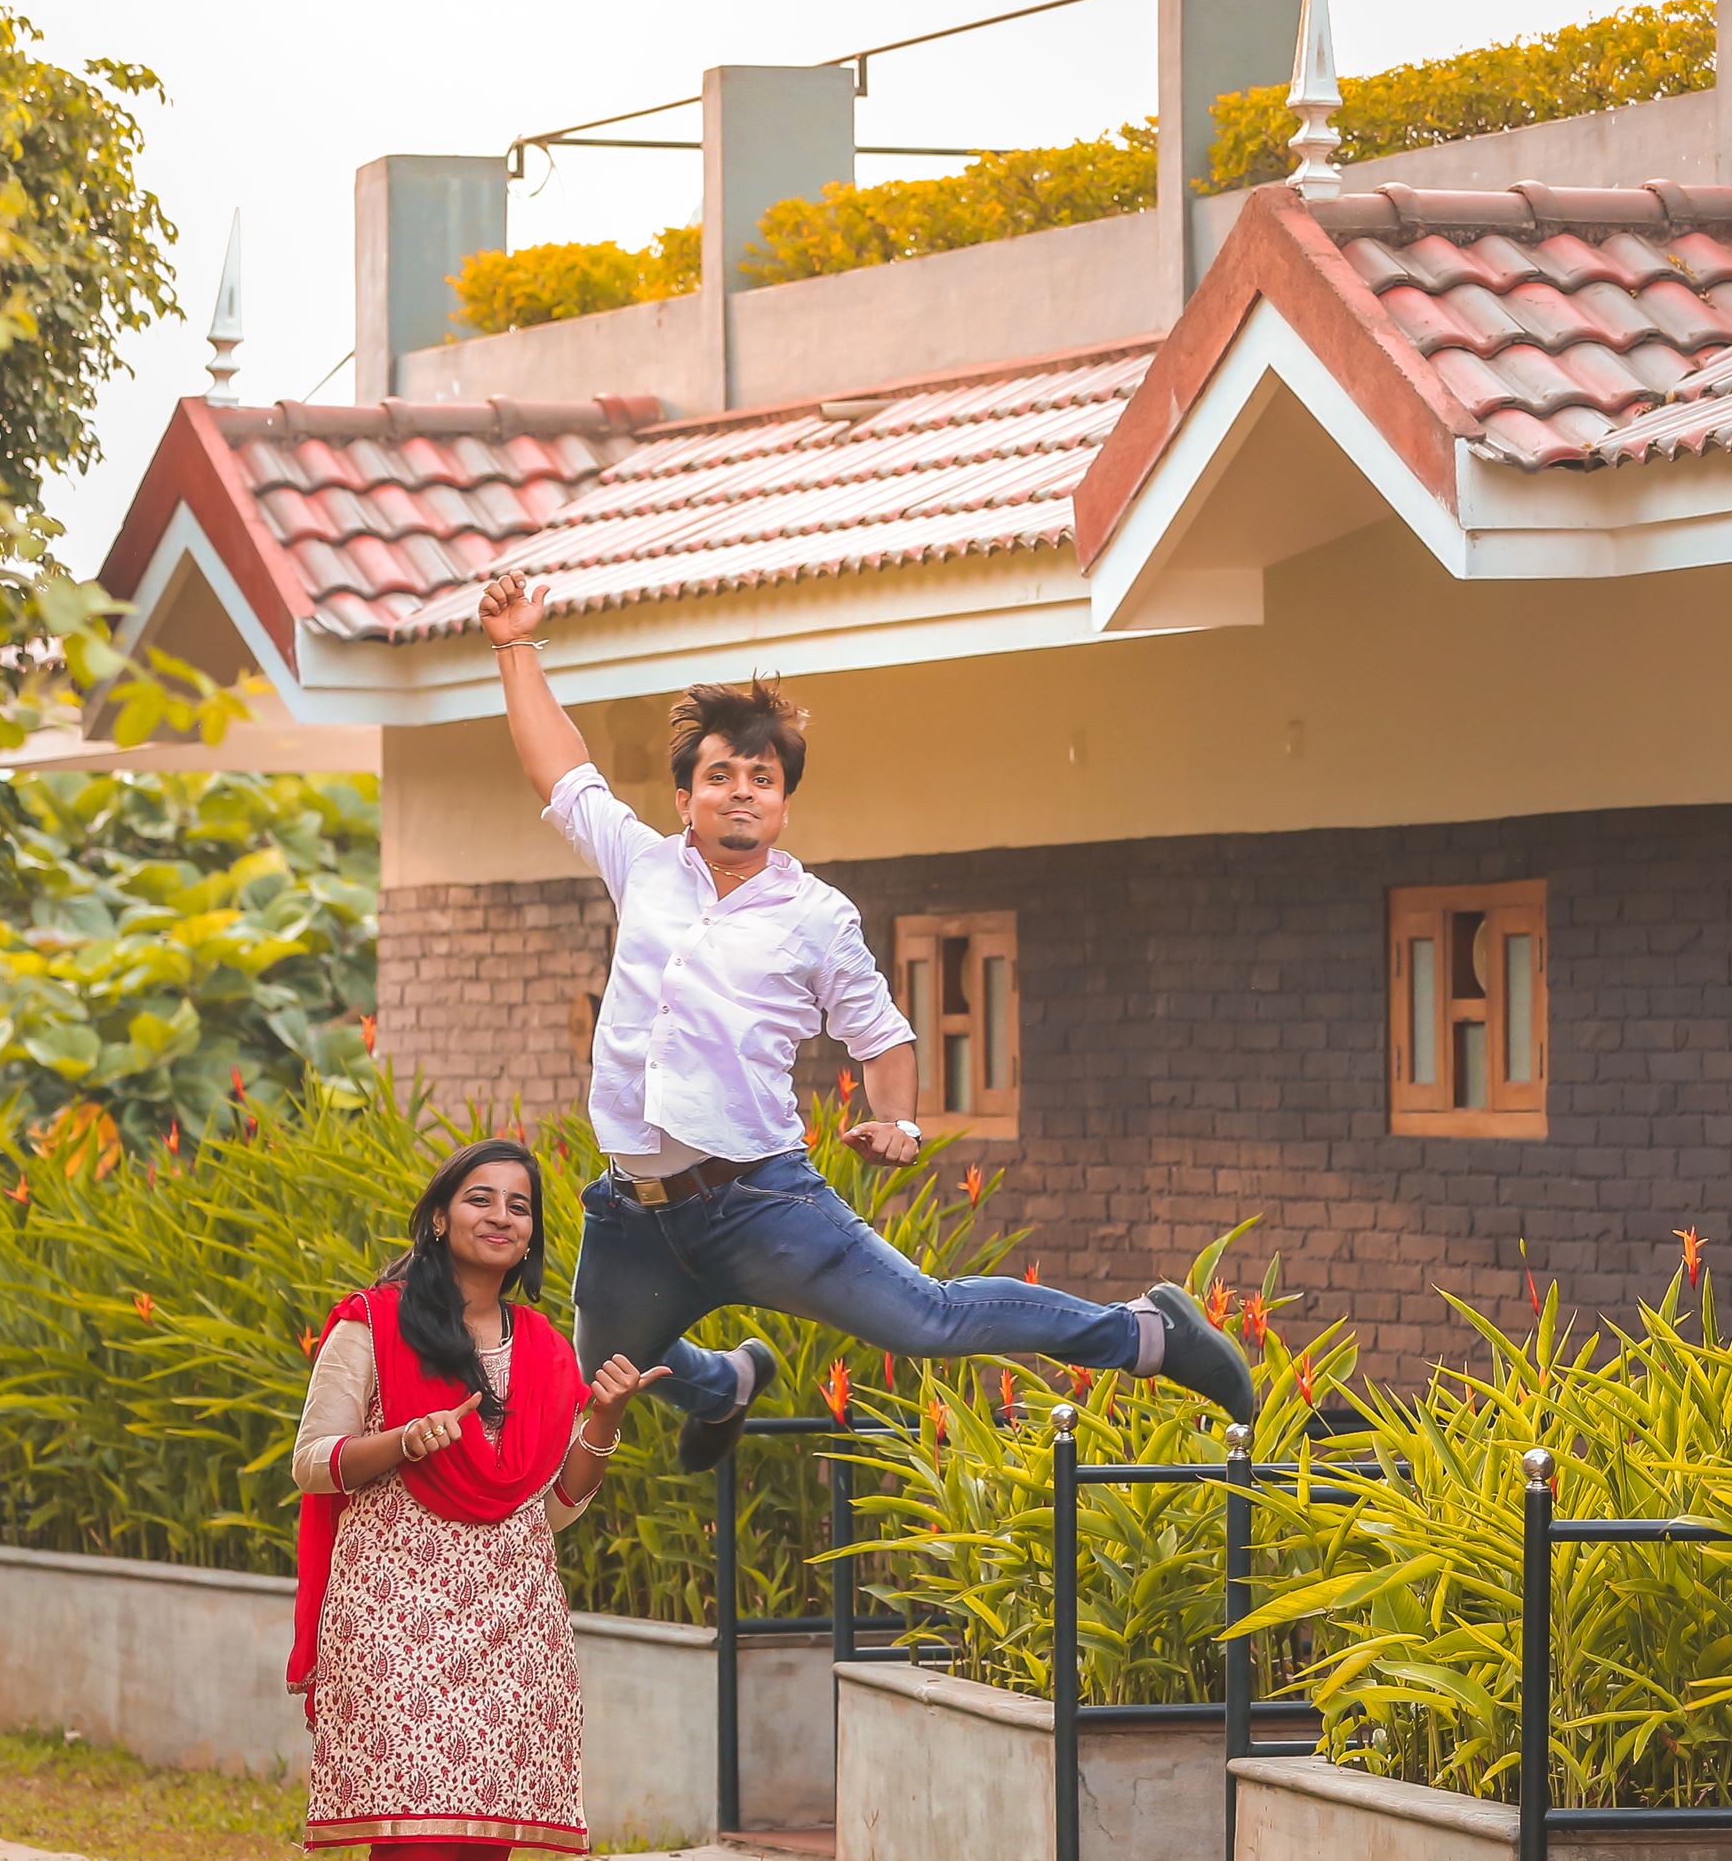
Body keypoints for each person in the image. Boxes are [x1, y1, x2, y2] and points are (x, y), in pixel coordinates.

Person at [476, 567, 1256, 1470]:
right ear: (684, 799)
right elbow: (562, 770)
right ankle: (724, 1384)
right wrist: (514, 645)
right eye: (719, 776)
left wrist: (899, 1122)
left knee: (928, 1319)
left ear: (782, 802)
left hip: (759, 1201)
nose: (741, 791)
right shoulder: (642, 866)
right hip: (634, 1215)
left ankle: (1146, 1332)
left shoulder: (818, 916)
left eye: (761, 778)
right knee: (602, 1372)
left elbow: (881, 1036)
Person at [288, 1138, 658, 1861]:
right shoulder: (371, 1326)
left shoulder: (543, 1349)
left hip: (511, 1611)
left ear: (531, 1235)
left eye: (519, 1206)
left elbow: (554, 1506)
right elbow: (313, 1460)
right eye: (480, 1199)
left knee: (478, 1851)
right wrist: (400, 1440)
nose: (501, 1217)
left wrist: (604, 1422)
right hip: (395, 1608)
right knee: (415, 1845)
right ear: (440, 1217)